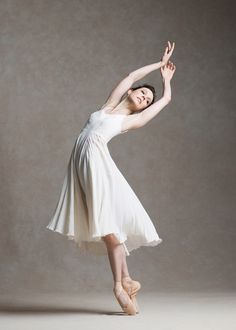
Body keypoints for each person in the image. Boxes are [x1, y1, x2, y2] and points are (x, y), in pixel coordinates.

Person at [46, 41, 176, 315]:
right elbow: (130, 76)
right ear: (131, 92)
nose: (144, 98)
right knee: (107, 227)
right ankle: (127, 279)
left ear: (141, 109)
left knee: (109, 231)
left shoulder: (128, 121)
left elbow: (165, 101)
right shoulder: (107, 107)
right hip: (82, 168)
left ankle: (119, 285)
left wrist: (166, 82)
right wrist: (158, 63)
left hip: (98, 169)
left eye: (146, 101)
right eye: (142, 94)